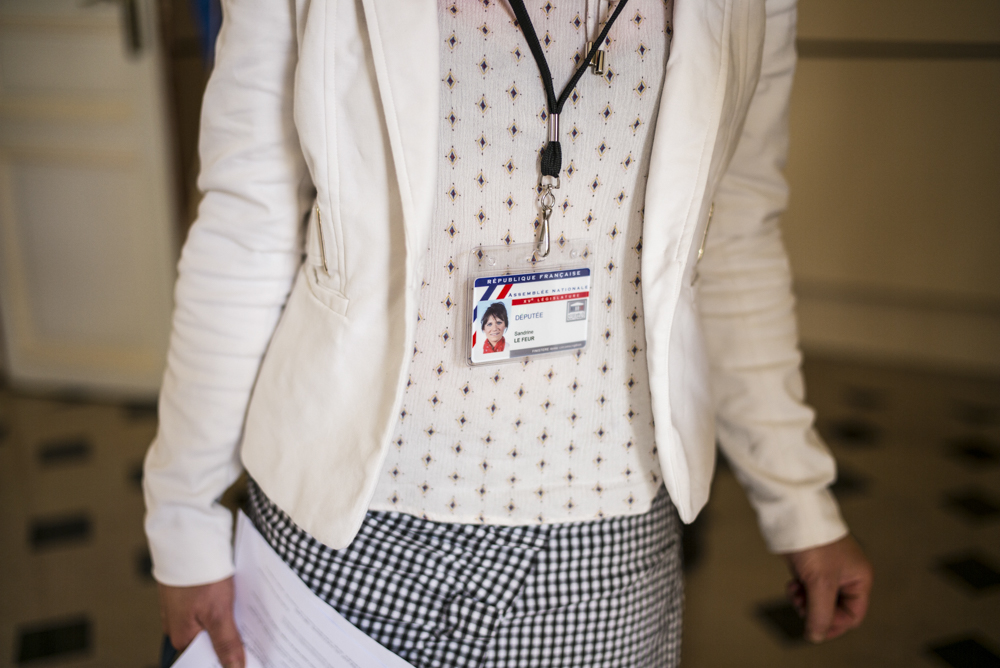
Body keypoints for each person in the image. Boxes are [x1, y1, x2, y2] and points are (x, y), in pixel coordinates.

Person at [146, 1, 873, 667]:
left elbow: (735, 239)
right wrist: (184, 514)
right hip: (344, 533)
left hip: (604, 548)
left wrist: (797, 494)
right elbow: (248, 223)